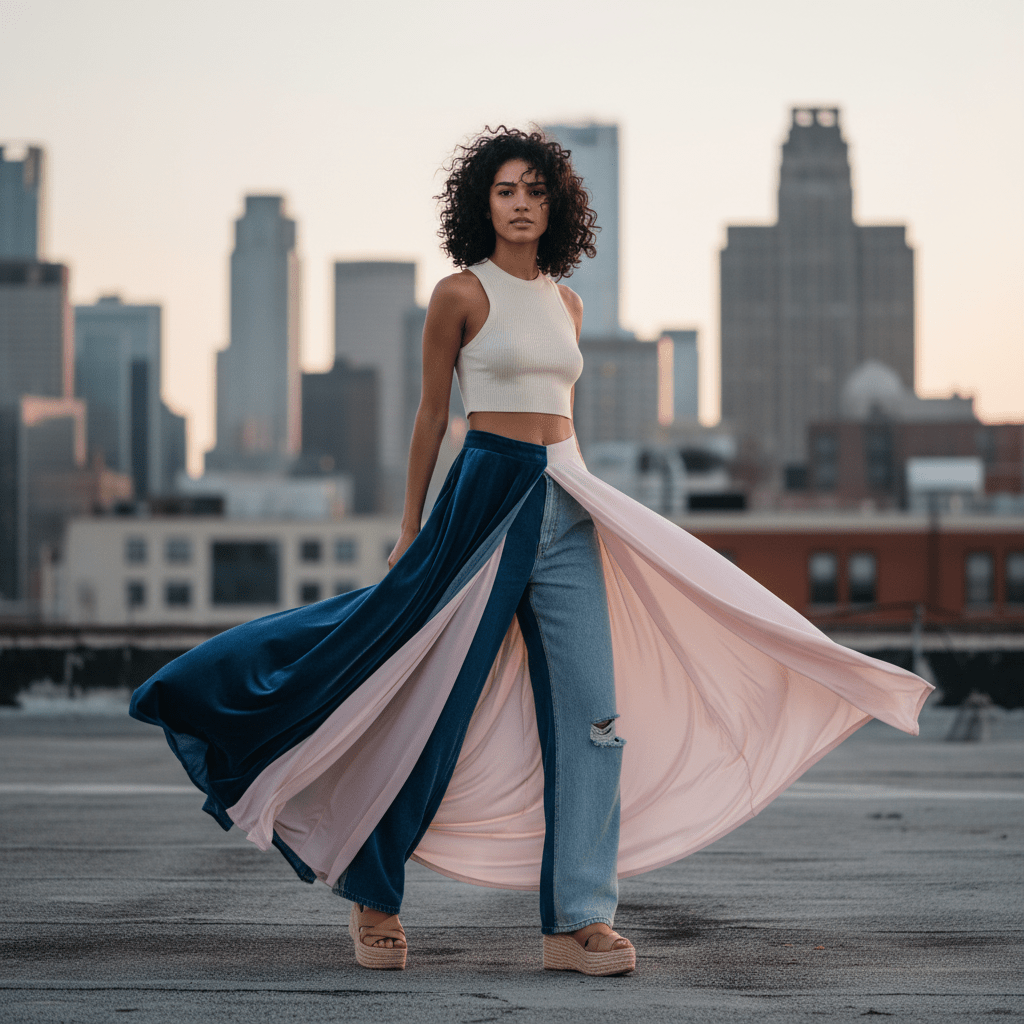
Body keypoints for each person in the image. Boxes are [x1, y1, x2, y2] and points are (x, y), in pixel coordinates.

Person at [130, 127, 932, 979]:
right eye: (506, 190)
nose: (521, 203)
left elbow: (563, 416)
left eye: (536, 191)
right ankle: (375, 898)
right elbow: (432, 419)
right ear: (483, 201)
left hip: (568, 501)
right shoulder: (459, 295)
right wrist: (411, 528)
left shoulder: (568, 302)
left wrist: (580, 498)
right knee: (428, 704)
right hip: (485, 498)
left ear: (558, 206)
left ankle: (577, 921)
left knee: (594, 721)